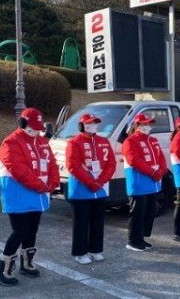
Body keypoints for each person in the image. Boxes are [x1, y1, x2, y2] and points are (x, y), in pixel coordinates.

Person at [0, 108, 60, 286]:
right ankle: (2, 269)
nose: (36, 131)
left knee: (32, 230)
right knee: (20, 231)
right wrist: (41, 186)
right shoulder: (11, 142)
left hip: (38, 196)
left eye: (39, 128)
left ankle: (27, 264)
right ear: (23, 124)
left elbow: (52, 163)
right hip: (18, 196)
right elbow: (18, 170)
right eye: (33, 127)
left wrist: (53, 183)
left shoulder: (41, 141)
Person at [66, 113, 116, 263]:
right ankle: (80, 253)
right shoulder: (74, 142)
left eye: (95, 123)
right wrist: (90, 182)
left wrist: (100, 181)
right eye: (89, 123)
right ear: (82, 125)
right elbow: (72, 165)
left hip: (100, 189)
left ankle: (95, 250)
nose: (93, 125)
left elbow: (111, 164)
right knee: (81, 223)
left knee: (98, 221)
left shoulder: (104, 141)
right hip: (81, 190)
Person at [122, 114, 166, 251]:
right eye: (144, 124)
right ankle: (132, 241)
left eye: (149, 124)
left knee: (148, 213)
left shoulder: (153, 140)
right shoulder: (130, 141)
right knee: (137, 214)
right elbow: (134, 160)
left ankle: (141, 238)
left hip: (153, 184)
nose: (148, 126)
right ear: (137, 125)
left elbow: (161, 158)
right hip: (139, 184)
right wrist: (153, 173)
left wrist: (162, 171)